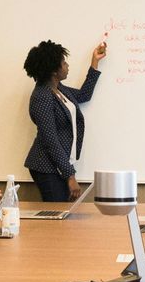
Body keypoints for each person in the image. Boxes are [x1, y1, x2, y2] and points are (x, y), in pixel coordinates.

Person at [23, 37, 105, 200]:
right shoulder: (42, 96)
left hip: (58, 165)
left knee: (61, 214)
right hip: (46, 166)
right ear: (54, 70)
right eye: (64, 63)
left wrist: (95, 62)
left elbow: (84, 95)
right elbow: (50, 140)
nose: (67, 66)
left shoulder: (57, 89)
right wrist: (70, 176)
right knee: (56, 215)